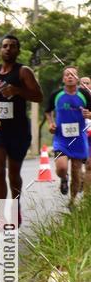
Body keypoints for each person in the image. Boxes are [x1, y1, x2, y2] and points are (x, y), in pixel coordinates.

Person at [0, 34, 43, 225]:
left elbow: (38, 96)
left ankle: (15, 206)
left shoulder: (23, 72)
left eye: (12, 46)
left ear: (18, 50)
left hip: (17, 129)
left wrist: (17, 91)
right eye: (5, 46)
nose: (8, 49)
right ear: (1, 49)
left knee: (13, 173)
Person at [44, 67, 91, 206]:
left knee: (76, 172)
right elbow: (47, 111)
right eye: (67, 75)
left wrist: (89, 114)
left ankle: (72, 201)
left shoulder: (84, 94)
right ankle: (63, 178)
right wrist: (51, 123)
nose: (70, 77)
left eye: (73, 75)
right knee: (61, 167)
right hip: (61, 139)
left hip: (78, 139)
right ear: (63, 79)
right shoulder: (56, 94)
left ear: (77, 79)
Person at [80, 75, 91, 193]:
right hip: (78, 135)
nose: (85, 85)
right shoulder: (75, 97)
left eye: (87, 83)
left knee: (88, 165)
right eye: (83, 83)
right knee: (77, 164)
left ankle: (87, 199)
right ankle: (80, 178)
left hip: (90, 135)